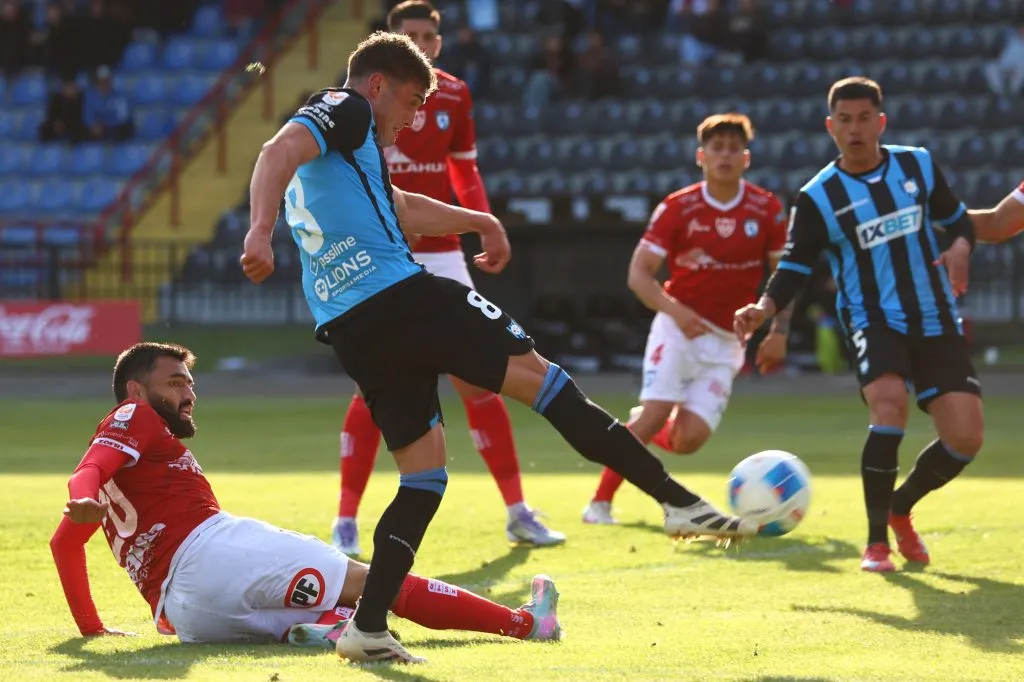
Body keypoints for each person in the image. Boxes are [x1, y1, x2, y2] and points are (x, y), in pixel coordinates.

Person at [240, 31, 756, 664]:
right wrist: (259, 232)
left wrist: (478, 220)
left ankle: (367, 628)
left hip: (351, 327)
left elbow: (399, 207)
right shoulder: (344, 108)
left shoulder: (351, 151)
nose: (413, 118)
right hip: (403, 298)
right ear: (376, 85)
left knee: (424, 475)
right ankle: (677, 503)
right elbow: (275, 149)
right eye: (408, 101)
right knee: (546, 383)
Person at [49, 342, 562, 650]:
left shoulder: (133, 454)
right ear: (137, 391)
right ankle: (526, 624)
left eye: (191, 381)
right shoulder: (132, 416)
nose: (189, 392)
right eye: (176, 381)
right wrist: (83, 493)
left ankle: (326, 629)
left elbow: (64, 544)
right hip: (210, 555)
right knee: (373, 580)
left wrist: (93, 628)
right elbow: (88, 470)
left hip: (185, 616)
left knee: (334, 612)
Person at [332, 0, 564, 557]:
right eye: (409, 35)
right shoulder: (356, 102)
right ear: (390, 41)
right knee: (372, 388)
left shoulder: (454, 94)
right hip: (381, 255)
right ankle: (345, 519)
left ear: (439, 42)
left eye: (429, 37)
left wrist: (484, 225)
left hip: (441, 251)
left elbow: (464, 168)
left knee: (482, 381)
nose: (422, 44)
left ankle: (516, 511)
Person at [734, 77, 984, 574]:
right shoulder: (818, 196)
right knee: (889, 407)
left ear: (881, 122)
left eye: (864, 118)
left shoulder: (917, 165)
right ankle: (875, 544)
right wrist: (765, 311)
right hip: (873, 319)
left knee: (967, 437)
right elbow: (794, 267)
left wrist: (959, 246)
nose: (855, 129)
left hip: (934, 317)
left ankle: (899, 508)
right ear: (831, 127)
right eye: (844, 120)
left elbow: (958, 222)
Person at [583, 113, 791, 526]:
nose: (725, 155)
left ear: (746, 158)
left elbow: (784, 278)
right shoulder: (678, 207)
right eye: (717, 148)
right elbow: (638, 276)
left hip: (728, 341)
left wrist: (778, 330)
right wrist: (678, 312)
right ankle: (599, 503)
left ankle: (635, 429)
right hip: (676, 328)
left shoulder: (767, 209)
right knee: (659, 410)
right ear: (702, 156)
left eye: (734, 148)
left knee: (687, 440)